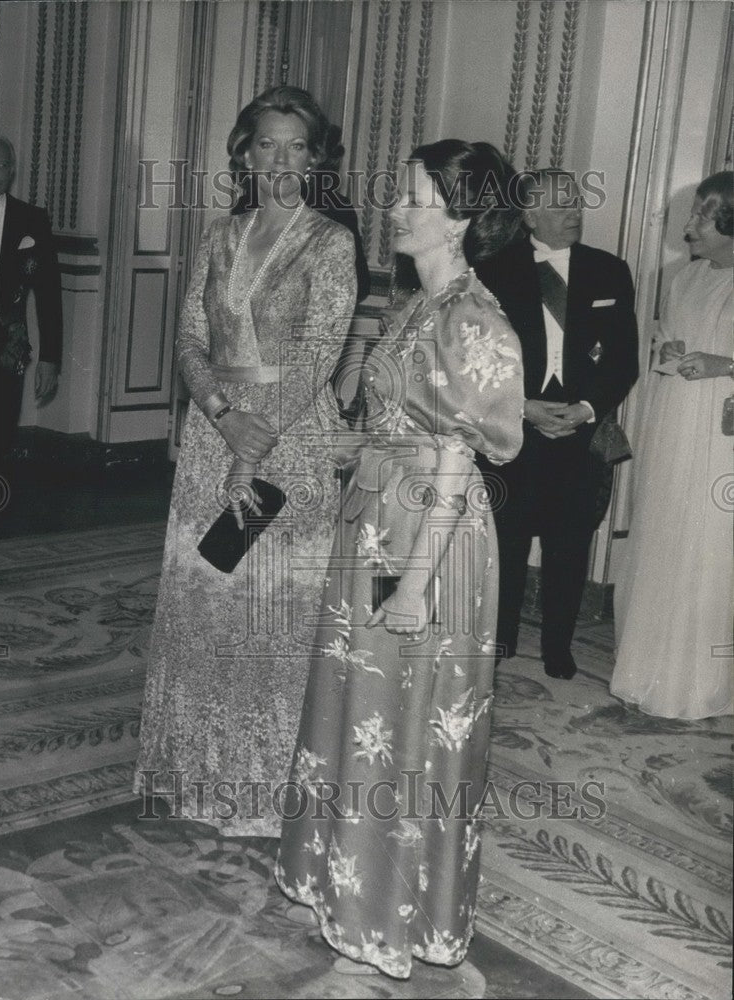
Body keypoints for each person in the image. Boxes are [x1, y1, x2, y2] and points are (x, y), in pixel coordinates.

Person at [276, 140, 524, 978]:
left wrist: (415, 585)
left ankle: (393, 911)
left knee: (403, 725)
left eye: (413, 197)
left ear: (459, 215)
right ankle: (348, 887)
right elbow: (398, 419)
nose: (394, 209)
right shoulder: (421, 302)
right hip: (381, 518)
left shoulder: (471, 318)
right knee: (365, 711)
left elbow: (457, 458)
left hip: (429, 538)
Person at [134, 87, 357, 835]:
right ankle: (197, 769)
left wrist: (255, 435)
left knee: (270, 609)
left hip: (288, 441)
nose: (282, 161)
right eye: (267, 145)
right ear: (245, 153)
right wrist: (225, 420)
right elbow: (190, 340)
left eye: (297, 147)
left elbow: (321, 351)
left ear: (316, 157)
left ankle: (265, 788)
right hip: (213, 433)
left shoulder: (331, 241)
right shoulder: (220, 236)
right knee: (208, 593)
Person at [475, 168, 639, 679]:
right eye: (562, 204)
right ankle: (500, 638)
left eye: (577, 203)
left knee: (570, 545)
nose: (575, 212)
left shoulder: (609, 271)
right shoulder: (490, 271)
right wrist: (521, 405)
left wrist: (587, 410)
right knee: (507, 540)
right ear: (529, 214)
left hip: (579, 432)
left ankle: (558, 647)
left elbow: (623, 360)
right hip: (514, 427)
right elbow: (475, 358)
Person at [611, 171, 733, 719]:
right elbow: (661, 341)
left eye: (702, 216)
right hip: (674, 422)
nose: (689, 227)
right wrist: (671, 349)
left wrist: (725, 364)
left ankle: (702, 684)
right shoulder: (684, 278)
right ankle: (648, 671)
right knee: (665, 534)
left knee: (708, 546)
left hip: (721, 433)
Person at [0, 135, 62, 475]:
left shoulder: (31, 219)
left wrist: (50, 357)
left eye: (2, 165)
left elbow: (49, 293)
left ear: (13, 170)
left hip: (5, 344)